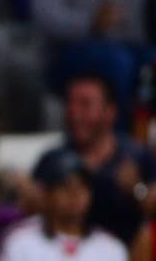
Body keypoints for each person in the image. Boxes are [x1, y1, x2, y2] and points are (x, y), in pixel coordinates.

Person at [32, 74, 156, 247]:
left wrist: (136, 188)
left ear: (110, 112)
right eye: (70, 103)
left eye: (85, 104)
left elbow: (152, 203)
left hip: (124, 257)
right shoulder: (53, 159)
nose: (74, 113)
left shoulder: (137, 156)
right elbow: (32, 214)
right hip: (60, 257)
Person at [0, 152, 130, 261]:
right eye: (65, 186)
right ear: (46, 193)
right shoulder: (19, 241)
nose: (75, 194)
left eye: (83, 186)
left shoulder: (111, 247)